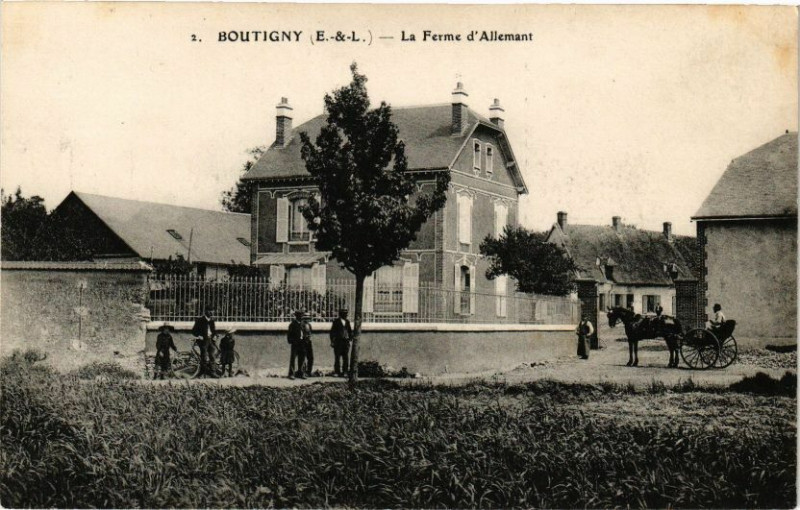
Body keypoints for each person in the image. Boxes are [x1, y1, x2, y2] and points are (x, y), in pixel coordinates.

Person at [191, 307, 216, 378]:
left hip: (210, 340)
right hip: (203, 341)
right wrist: (199, 336)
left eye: (212, 311)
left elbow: (213, 331)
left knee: (212, 356)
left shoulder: (212, 321)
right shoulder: (200, 320)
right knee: (204, 357)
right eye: (210, 311)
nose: (212, 313)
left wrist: (215, 335)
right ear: (206, 311)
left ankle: (212, 372)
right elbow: (193, 331)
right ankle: (202, 373)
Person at [329, 308, 353, 377]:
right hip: (338, 342)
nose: (345, 315)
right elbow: (332, 332)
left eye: (346, 313)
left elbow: (350, 331)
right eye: (344, 313)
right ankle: (337, 372)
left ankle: (345, 371)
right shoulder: (336, 322)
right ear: (340, 314)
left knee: (345, 357)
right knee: (337, 357)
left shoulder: (347, 322)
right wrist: (332, 341)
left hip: (345, 342)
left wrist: (350, 340)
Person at [287, 310, 307, 379]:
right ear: (296, 316)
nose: (301, 317)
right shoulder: (293, 324)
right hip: (295, 344)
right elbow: (289, 334)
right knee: (293, 358)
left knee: (302, 358)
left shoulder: (303, 324)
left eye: (301, 316)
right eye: (299, 316)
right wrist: (292, 341)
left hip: (302, 343)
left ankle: (301, 373)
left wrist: (305, 340)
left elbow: (305, 333)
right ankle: (291, 374)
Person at [302, 312, 314, 376]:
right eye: (305, 318)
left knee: (310, 357)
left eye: (308, 318)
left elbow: (310, 333)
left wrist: (309, 338)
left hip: (309, 342)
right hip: (303, 342)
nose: (307, 319)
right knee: (303, 358)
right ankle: (303, 372)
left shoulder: (309, 325)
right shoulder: (301, 325)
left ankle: (309, 371)